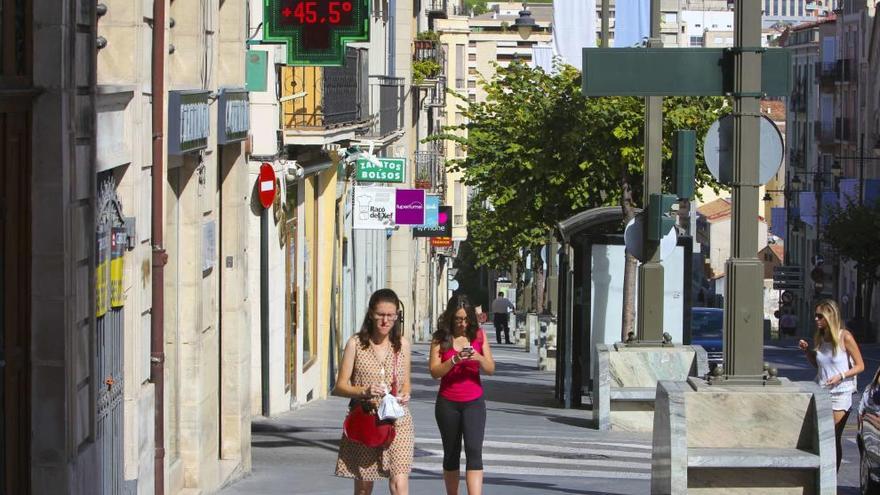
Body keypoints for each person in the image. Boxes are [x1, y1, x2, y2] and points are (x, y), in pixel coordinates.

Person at [334, 289, 413, 495]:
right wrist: (364, 390)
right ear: (371, 313)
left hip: (397, 420)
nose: (386, 321)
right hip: (367, 419)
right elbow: (340, 387)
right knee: (363, 487)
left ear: (397, 316)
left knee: (399, 482)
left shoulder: (402, 345)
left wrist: (405, 393)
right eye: (381, 315)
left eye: (391, 315)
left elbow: (406, 383)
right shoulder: (356, 344)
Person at [429, 294, 496, 495]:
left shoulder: (478, 335)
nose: (462, 323)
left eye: (466, 319)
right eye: (458, 319)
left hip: (474, 402)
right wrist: (454, 360)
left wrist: (477, 357)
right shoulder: (440, 338)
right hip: (447, 403)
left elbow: (491, 368)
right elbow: (434, 372)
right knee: (451, 454)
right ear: (450, 317)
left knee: (474, 452)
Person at [798, 298, 864, 470]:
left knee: (832, 437)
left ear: (830, 316)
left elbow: (860, 366)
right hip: (821, 391)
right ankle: (823, 476)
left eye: (820, 316)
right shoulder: (820, 337)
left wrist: (840, 376)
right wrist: (807, 352)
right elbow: (819, 365)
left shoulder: (845, 337)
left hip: (840, 394)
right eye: (815, 316)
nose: (816, 319)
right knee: (820, 438)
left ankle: (831, 478)